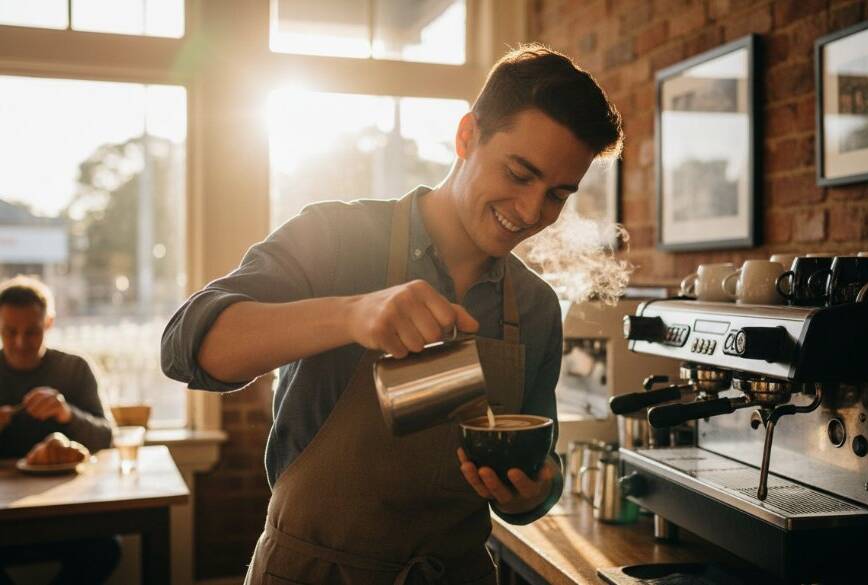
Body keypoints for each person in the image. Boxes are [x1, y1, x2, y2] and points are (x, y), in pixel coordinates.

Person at [162, 43, 623, 584]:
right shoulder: (335, 236)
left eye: (556, 195)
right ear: (467, 136)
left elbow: (536, 470)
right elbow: (187, 347)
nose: (529, 213)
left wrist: (536, 490)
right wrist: (353, 314)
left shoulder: (538, 308)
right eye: (519, 174)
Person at [0, 276, 120, 585]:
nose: (20, 343)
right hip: (5, 517)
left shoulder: (74, 369)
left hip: (66, 514)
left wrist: (66, 413)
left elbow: (106, 437)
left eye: (32, 331)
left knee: (106, 548)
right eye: (8, 332)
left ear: (49, 323)